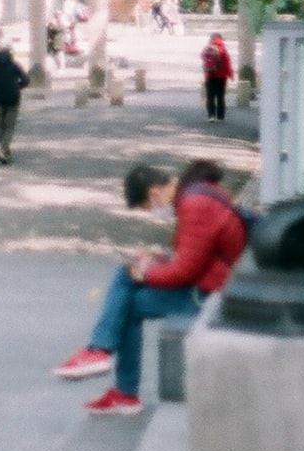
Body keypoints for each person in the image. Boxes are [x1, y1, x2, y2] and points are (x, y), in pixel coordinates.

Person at [53, 160, 248, 415]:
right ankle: (112, 375)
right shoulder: (199, 192)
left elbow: (184, 272)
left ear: (154, 193)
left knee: (127, 291)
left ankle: (104, 359)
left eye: (148, 208)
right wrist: (158, 259)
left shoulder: (194, 204)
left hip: (211, 295)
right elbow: (196, 255)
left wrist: (145, 273)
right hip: (214, 283)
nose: (154, 212)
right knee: (128, 289)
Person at [200, 33, 234, 122]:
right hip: (222, 76)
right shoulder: (223, 49)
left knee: (210, 96)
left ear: (211, 39)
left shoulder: (207, 48)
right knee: (220, 96)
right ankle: (220, 116)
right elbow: (227, 63)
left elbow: (202, 57)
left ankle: (211, 116)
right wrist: (230, 74)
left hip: (210, 75)